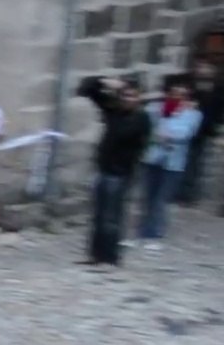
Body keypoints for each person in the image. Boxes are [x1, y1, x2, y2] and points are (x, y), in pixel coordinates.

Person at [76, 75, 151, 266]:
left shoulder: (141, 119)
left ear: (139, 98)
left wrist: (112, 107)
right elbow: (86, 88)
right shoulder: (114, 111)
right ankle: (96, 255)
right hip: (103, 169)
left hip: (120, 173)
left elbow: (123, 134)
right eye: (125, 95)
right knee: (98, 215)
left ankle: (111, 257)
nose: (128, 99)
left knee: (112, 216)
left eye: (132, 96)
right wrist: (105, 82)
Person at [136, 79, 201, 250]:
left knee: (161, 198)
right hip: (153, 158)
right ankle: (144, 228)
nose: (177, 97)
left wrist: (166, 131)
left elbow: (185, 133)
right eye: (173, 93)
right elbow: (143, 116)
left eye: (181, 94)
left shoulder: (192, 114)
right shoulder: (157, 109)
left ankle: (155, 231)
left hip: (173, 163)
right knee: (148, 195)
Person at [177, 59, 222, 205]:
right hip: (186, 129)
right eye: (201, 68)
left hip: (202, 131)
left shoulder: (217, 89)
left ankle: (188, 194)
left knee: (195, 164)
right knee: (182, 161)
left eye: (206, 68)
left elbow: (217, 111)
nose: (203, 70)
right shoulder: (191, 86)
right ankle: (179, 191)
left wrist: (214, 126)